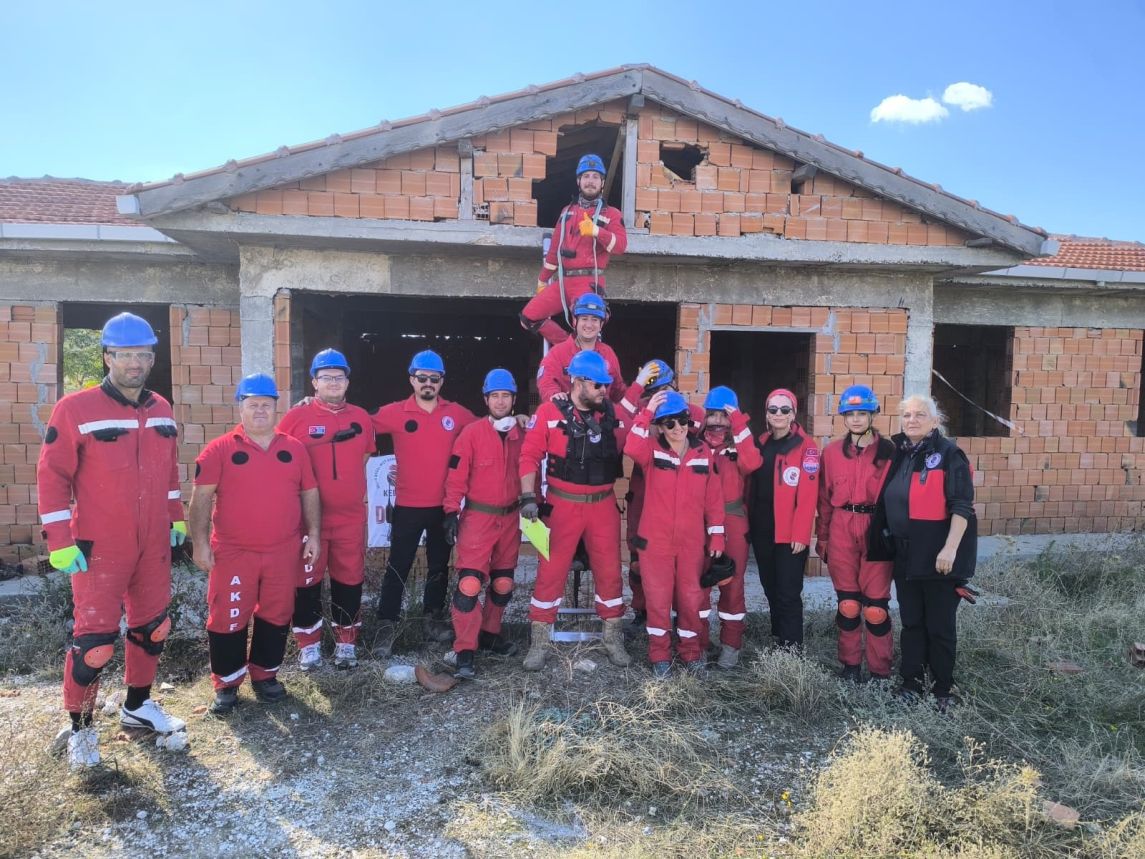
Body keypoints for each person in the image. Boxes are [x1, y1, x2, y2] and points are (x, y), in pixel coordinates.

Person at [37, 312, 187, 768]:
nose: (134, 363)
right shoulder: (75, 409)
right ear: (107, 357)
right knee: (96, 642)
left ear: (152, 358)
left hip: (152, 543)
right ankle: (81, 729)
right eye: (124, 355)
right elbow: (51, 474)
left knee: (153, 627)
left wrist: (175, 517)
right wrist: (59, 539)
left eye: (142, 354)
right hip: (98, 546)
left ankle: (137, 706)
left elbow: (169, 471)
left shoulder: (161, 408)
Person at [189, 373, 321, 715]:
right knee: (228, 615)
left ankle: (265, 675)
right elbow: (200, 499)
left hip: (283, 550)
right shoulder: (219, 449)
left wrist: (314, 535)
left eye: (266, 404)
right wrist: (199, 544)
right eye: (253, 404)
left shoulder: (294, 449)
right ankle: (227, 683)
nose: (260, 410)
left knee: (276, 614)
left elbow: (309, 492)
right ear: (240, 407)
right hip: (234, 552)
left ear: (276, 407)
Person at [518, 350, 633, 670]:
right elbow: (529, 456)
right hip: (561, 505)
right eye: (598, 385)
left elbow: (643, 431)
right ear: (578, 382)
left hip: (603, 506)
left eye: (606, 385)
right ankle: (539, 642)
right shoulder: (548, 413)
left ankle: (613, 638)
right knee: (550, 573)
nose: (604, 390)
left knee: (610, 573)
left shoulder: (612, 414)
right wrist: (528, 497)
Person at [874, 394, 977, 711]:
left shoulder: (949, 455)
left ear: (935, 421)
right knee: (912, 623)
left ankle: (943, 690)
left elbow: (962, 506)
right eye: (906, 415)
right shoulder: (901, 453)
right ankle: (912, 683)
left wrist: (950, 548)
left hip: (938, 557)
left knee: (939, 627)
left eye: (920, 414)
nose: (912, 420)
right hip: (906, 555)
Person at [370, 350, 477, 655]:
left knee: (439, 567)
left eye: (434, 378)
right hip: (408, 507)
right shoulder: (395, 412)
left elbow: (487, 428)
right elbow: (357, 420)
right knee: (398, 566)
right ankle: (386, 626)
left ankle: (433, 621)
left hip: (444, 508)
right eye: (422, 378)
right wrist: (314, 403)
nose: (428, 383)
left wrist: (519, 418)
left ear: (441, 381)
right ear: (412, 380)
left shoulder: (456, 413)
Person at [278, 349, 376, 671]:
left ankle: (346, 643)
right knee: (306, 583)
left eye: (339, 377)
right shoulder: (296, 418)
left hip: (350, 519)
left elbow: (363, 457)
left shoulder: (361, 418)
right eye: (326, 377)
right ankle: (309, 646)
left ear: (347, 382)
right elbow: (280, 460)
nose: (333, 382)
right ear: (314, 383)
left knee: (349, 580)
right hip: (307, 522)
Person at [624, 390, 726, 678]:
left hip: (692, 542)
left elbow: (713, 498)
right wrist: (647, 412)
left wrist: (717, 535)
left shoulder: (702, 452)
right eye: (669, 423)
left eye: (682, 420)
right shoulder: (650, 451)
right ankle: (659, 655)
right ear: (659, 426)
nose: (677, 428)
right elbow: (631, 446)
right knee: (657, 599)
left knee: (691, 599)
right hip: (656, 543)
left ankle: (690, 652)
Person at [442, 369, 525, 680]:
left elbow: (532, 472)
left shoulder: (523, 434)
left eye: (506, 396)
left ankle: (490, 634)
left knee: (503, 582)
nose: (500, 401)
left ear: (514, 399)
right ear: (486, 399)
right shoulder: (471, 434)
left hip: (511, 518)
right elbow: (456, 476)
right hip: (478, 518)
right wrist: (451, 511)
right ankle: (465, 650)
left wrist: (539, 504)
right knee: (469, 585)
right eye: (495, 396)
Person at [816, 385, 896, 682]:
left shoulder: (890, 452)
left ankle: (879, 671)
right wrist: (823, 537)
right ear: (844, 417)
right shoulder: (831, 453)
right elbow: (824, 500)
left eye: (862, 413)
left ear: (873, 414)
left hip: (876, 527)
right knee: (848, 605)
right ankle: (850, 665)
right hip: (841, 526)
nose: (856, 419)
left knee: (875, 608)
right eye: (850, 414)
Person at [617, 359, 704, 627]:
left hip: (679, 497)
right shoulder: (640, 412)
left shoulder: (691, 413)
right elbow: (622, 431)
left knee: (682, 562)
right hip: (643, 493)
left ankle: (679, 615)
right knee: (638, 559)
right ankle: (642, 611)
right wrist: (647, 413)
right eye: (652, 392)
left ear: (674, 384)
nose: (659, 396)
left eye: (663, 389)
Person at [520, 153, 628, 346]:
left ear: (602, 182)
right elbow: (554, 250)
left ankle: (581, 349)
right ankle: (569, 348)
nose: (590, 181)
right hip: (564, 282)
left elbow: (620, 246)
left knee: (586, 330)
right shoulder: (566, 211)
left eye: (595, 177)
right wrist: (543, 279)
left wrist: (597, 231)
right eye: (586, 176)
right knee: (528, 317)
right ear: (579, 181)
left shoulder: (611, 214)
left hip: (589, 282)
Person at [747, 388, 819, 649]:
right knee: (770, 587)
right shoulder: (761, 442)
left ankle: (792, 648)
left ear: (793, 414)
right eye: (773, 409)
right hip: (762, 528)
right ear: (766, 413)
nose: (778, 413)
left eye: (784, 409)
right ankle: (779, 637)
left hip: (789, 532)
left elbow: (808, 496)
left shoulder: (806, 447)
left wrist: (801, 534)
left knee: (788, 591)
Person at [698, 386, 762, 669]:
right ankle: (699, 645)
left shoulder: (740, 447)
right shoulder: (694, 444)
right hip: (699, 523)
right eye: (712, 414)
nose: (717, 421)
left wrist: (738, 421)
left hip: (733, 519)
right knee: (697, 586)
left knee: (732, 586)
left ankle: (730, 646)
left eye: (724, 415)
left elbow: (753, 462)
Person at [536, 293, 627, 406]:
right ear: (575, 321)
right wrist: (554, 395)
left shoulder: (607, 353)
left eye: (594, 320)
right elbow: (546, 382)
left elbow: (618, 391)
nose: (589, 325)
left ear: (601, 324)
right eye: (584, 319)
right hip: (567, 413)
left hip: (600, 415)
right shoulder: (557, 353)